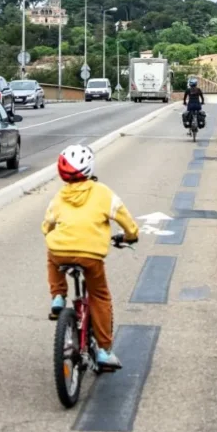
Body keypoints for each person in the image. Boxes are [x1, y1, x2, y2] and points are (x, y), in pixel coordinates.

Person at [42, 144, 139, 370]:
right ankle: (104, 351)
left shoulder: (60, 196)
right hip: (90, 256)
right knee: (100, 296)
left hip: (61, 252)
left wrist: (52, 233)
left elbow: (47, 225)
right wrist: (130, 236)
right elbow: (127, 222)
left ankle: (58, 297)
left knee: (51, 254)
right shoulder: (103, 193)